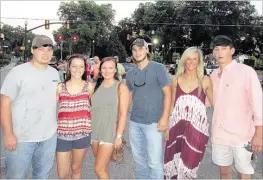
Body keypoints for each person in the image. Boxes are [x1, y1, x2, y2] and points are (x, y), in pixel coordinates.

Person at [0, 35, 60, 179]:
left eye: (49, 49)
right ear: (33, 50)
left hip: (48, 137)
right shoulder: (18, 72)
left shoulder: (55, 73)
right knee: (17, 177)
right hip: (22, 138)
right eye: (41, 49)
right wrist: (8, 134)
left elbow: (55, 99)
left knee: (42, 176)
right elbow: (4, 104)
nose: (45, 53)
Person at [210, 35, 262, 179]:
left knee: (243, 174)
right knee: (224, 173)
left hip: (242, 137)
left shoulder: (246, 72)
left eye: (224, 49)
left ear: (232, 50)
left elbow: (258, 104)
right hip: (220, 136)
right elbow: (207, 102)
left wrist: (259, 134)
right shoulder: (213, 76)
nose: (219, 53)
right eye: (216, 49)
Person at [164, 47, 213, 179]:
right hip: (176, 128)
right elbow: (172, 105)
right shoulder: (176, 79)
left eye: (194, 59)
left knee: (189, 168)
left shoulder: (205, 81)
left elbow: (216, 105)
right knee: (172, 165)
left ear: (199, 61)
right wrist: (167, 125)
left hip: (196, 132)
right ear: (184, 60)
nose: (191, 62)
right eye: (188, 59)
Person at [126, 38, 172, 179]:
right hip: (135, 123)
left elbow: (168, 94)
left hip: (154, 123)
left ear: (147, 50)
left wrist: (165, 118)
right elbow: (128, 99)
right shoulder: (130, 74)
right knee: (140, 162)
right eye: (134, 50)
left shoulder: (158, 68)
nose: (137, 52)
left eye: (141, 49)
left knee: (154, 163)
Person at [90, 57, 130, 179]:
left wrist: (118, 136)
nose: (107, 71)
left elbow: (123, 114)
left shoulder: (121, 87)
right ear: (100, 69)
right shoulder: (95, 86)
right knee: (103, 167)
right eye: (104, 68)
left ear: (115, 70)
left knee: (98, 169)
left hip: (110, 132)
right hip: (94, 131)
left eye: (110, 68)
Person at [56, 54, 93, 179]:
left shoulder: (90, 87)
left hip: (82, 135)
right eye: (74, 66)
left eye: (81, 66)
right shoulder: (60, 87)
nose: (78, 69)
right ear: (69, 67)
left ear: (85, 68)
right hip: (62, 135)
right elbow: (50, 109)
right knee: (63, 174)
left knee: (76, 169)